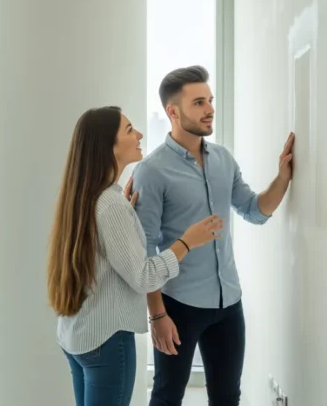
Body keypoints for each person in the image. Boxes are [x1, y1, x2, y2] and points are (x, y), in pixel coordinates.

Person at [132, 66, 294, 406]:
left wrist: (282, 178)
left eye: (210, 100)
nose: (210, 109)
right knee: (166, 397)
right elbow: (145, 252)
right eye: (199, 102)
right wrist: (157, 315)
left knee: (226, 397)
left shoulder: (223, 159)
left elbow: (253, 210)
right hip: (178, 306)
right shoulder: (152, 171)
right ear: (172, 112)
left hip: (228, 304)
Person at [48, 106, 226, 406]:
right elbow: (143, 277)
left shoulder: (87, 197)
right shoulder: (110, 205)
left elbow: (107, 252)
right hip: (106, 342)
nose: (140, 134)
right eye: (129, 130)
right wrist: (186, 242)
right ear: (109, 146)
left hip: (77, 336)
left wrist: (125, 212)